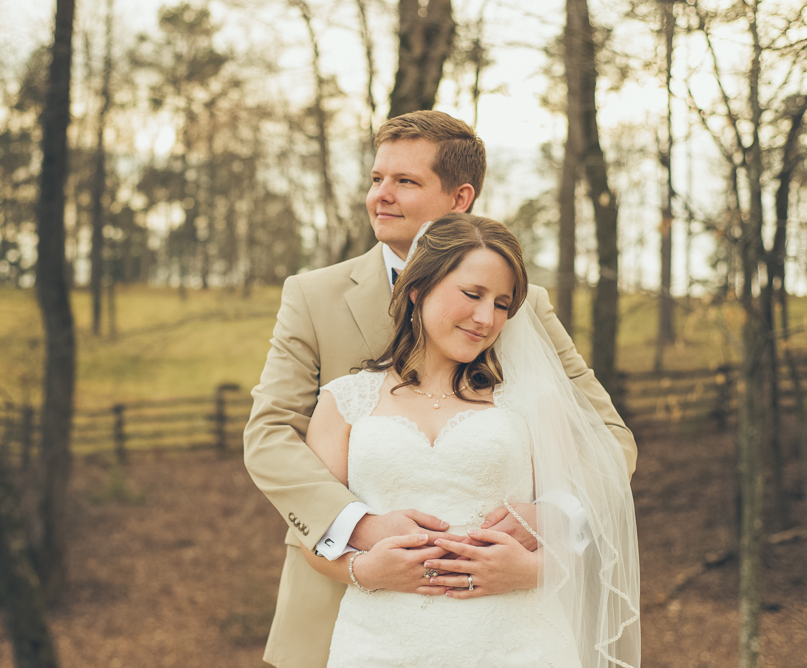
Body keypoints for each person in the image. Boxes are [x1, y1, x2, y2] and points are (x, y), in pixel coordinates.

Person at [243, 110, 637, 668]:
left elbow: (608, 438)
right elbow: (269, 436)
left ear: (460, 198)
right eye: (377, 178)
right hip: (349, 606)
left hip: (507, 621)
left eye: (405, 181)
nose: (381, 195)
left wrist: (554, 517)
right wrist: (359, 526)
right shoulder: (313, 295)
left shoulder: (520, 306)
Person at [300, 213, 640, 667]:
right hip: (379, 645)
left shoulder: (531, 400)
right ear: (418, 288)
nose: (486, 318)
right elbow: (313, 537)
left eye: (502, 304)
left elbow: (585, 518)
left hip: (519, 645)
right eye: (472, 294)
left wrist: (538, 569)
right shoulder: (344, 401)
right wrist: (366, 569)